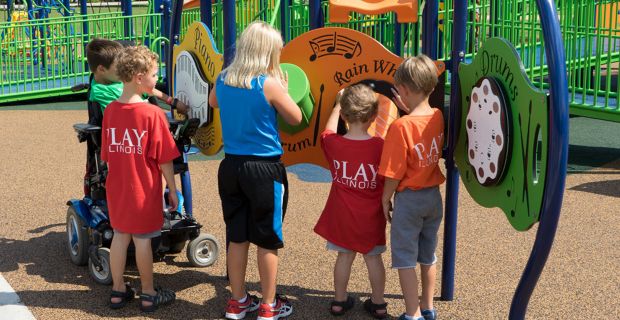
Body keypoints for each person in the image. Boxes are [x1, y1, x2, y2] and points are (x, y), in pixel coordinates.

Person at [208, 21, 302, 320]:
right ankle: (269, 305)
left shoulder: (224, 79)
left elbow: (212, 102)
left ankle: (237, 301)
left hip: (232, 167)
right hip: (264, 170)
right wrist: (284, 90)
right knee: (267, 238)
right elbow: (296, 117)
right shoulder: (269, 84)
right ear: (267, 52)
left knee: (237, 236)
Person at [101, 46, 180, 312]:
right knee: (143, 239)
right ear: (138, 76)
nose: (157, 79)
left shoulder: (110, 111)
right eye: (154, 74)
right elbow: (165, 158)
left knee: (120, 236)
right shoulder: (153, 115)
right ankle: (148, 293)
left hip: (118, 187)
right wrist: (173, 188)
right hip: (143, 189)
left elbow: (107, 156)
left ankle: (118, 289)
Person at [379, 55, 445, 320]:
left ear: (403, 90)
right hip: (433, 198)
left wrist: (385, 199)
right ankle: (427, 307)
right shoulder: (437, 116)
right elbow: (421, 131)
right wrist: (408, 111)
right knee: (428, 255)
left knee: (405, 259)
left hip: (409, 200)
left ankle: (412, 313)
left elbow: (394, 173)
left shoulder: (399, 127)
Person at [313, 84, 388, 319]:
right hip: (371, 215)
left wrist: (337, 104)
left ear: (345, 115)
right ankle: (378, 303)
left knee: (344, 257)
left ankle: (339, 300)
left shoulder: (335, 143)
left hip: (343, 215)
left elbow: (326, 132)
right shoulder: (380, 146)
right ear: (374, 115)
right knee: (373, 257)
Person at [85, 38, 187, 115]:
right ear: (101, 69)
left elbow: (149, 89)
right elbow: (123, 116)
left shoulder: (116, 78)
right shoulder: (100, 91)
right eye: (118, 66)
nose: (123, 68)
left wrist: (173, 102)